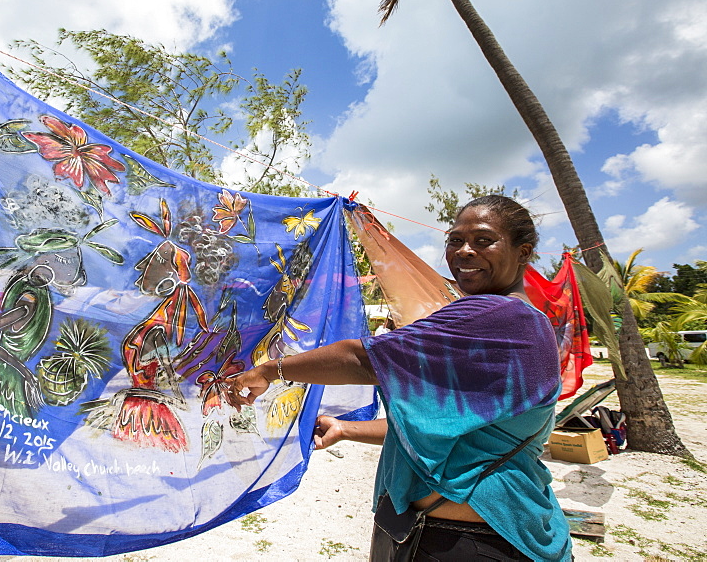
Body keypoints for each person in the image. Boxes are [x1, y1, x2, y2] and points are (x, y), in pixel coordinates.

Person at [229, 195, 571, 561]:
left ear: (523, 252)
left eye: (484, 240)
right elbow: (449, 430)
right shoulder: (522, 322)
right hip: (444, 532)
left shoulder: (497, 316)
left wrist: (270, 370)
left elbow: (361, 359)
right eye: (455, 240)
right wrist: (346, 429)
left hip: (472, 541)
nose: (465, 251)